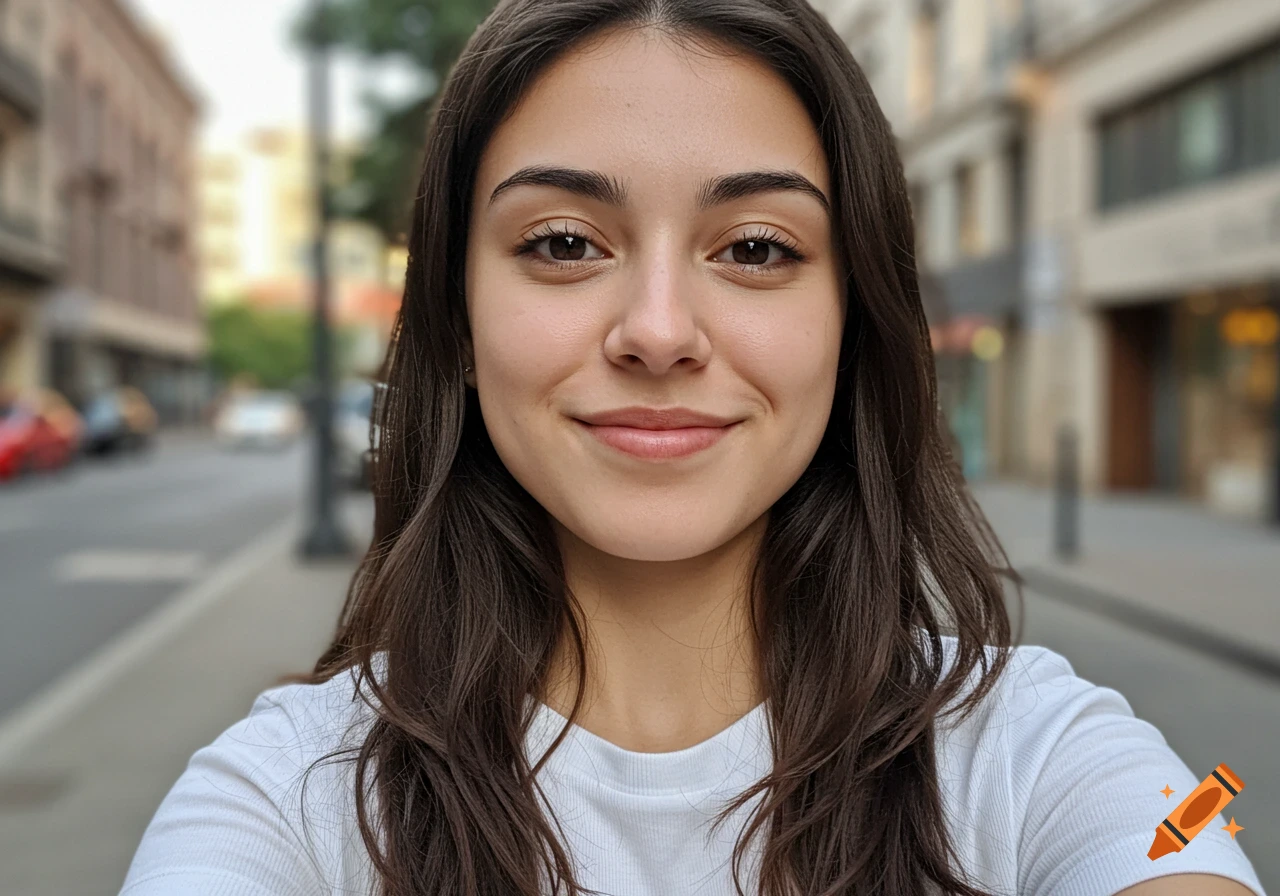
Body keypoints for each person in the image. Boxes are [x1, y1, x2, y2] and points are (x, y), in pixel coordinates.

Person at [119, 1, 1267, 894]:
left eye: (757, 248)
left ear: (851, 317)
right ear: (456, 321)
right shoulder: (285, 797)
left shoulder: (1034, 752)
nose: (658, 330)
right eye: (563, 241)